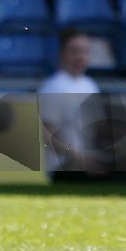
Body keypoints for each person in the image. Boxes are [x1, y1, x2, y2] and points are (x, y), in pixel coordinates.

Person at [37, 29, 104, 181]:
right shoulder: (53, 87)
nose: (81, 57)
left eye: (85, 52)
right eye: (75, 51)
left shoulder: (91, 85)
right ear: (62, 53)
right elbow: (47, 136)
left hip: (89, 163)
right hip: (63, 167)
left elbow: (98, 128)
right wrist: (79, 158)